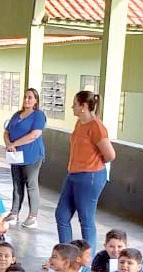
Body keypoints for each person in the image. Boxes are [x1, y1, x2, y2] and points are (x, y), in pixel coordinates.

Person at [55, 91, 116, 252]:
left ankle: (88, 259)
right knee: (62, 215)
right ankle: (67, 255)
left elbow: (110, 155)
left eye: (75, 104)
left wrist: (92, 163)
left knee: (86, 219)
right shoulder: (79, 123)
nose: (72, 107)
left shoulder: (97, 127)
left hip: (90, 177)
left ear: (83, 106)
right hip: (73, 174)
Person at [5, 88, 47, 229]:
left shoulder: (38, 115)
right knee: (17, 184)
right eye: (25, 97)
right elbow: (7, 131)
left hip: (32, 155)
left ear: (36, 100)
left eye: (30, 97)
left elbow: (34, 134)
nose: (26, 99)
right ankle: (14, 213)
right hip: (16, 156)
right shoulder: (17, 115)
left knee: (31, 184)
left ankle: (32, 217)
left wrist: (15, 144)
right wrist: (9, 144)